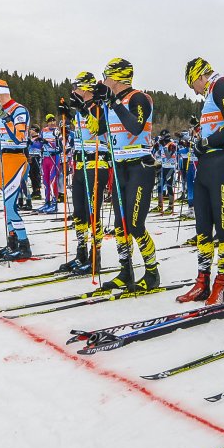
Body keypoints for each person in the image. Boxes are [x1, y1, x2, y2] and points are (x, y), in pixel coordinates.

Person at [178, 58, 224, 303]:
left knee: (223, 228)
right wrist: (200, 143)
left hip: (223, 163)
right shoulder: (210, 95)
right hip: (206, 165)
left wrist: (206, 142)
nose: (194, 91)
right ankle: (202, 282)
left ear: (199, 76)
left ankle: (220, 284)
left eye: (192, 84)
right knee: (203, 228)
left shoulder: (222, 85)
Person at [100, 58, 160, 291]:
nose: (104, 80)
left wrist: (114, 103)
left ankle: (152, 272)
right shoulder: (111, 103)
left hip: (139, 167)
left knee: (135, 225)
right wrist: (87, 106)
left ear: (116, 77)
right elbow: (99, 129)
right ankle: (126, 271)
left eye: (106, 76)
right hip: (120, 167)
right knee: (120, 225)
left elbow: (135, 126)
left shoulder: (138, 98)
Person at [62, 72, 110, 274]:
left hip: (96, 164)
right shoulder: (81, 110)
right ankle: (80, 253)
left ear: (86, 88)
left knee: (92, 214)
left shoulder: (99, 107)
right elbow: (80, 133)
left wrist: (82, 111)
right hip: (80, 165)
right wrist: (68, 117)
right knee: (79, 212)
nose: (73, 90)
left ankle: (94, 257)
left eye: (76, 86)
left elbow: (97, 129)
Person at [0, 79, 34, 260]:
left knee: (10, 206)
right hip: (3, 159)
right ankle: (12, 242)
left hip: (16, 159)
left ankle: (24, 244)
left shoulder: (19, 110)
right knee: (7, 206)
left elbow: (19, 137)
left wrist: (5, 117)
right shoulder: (1, 112)